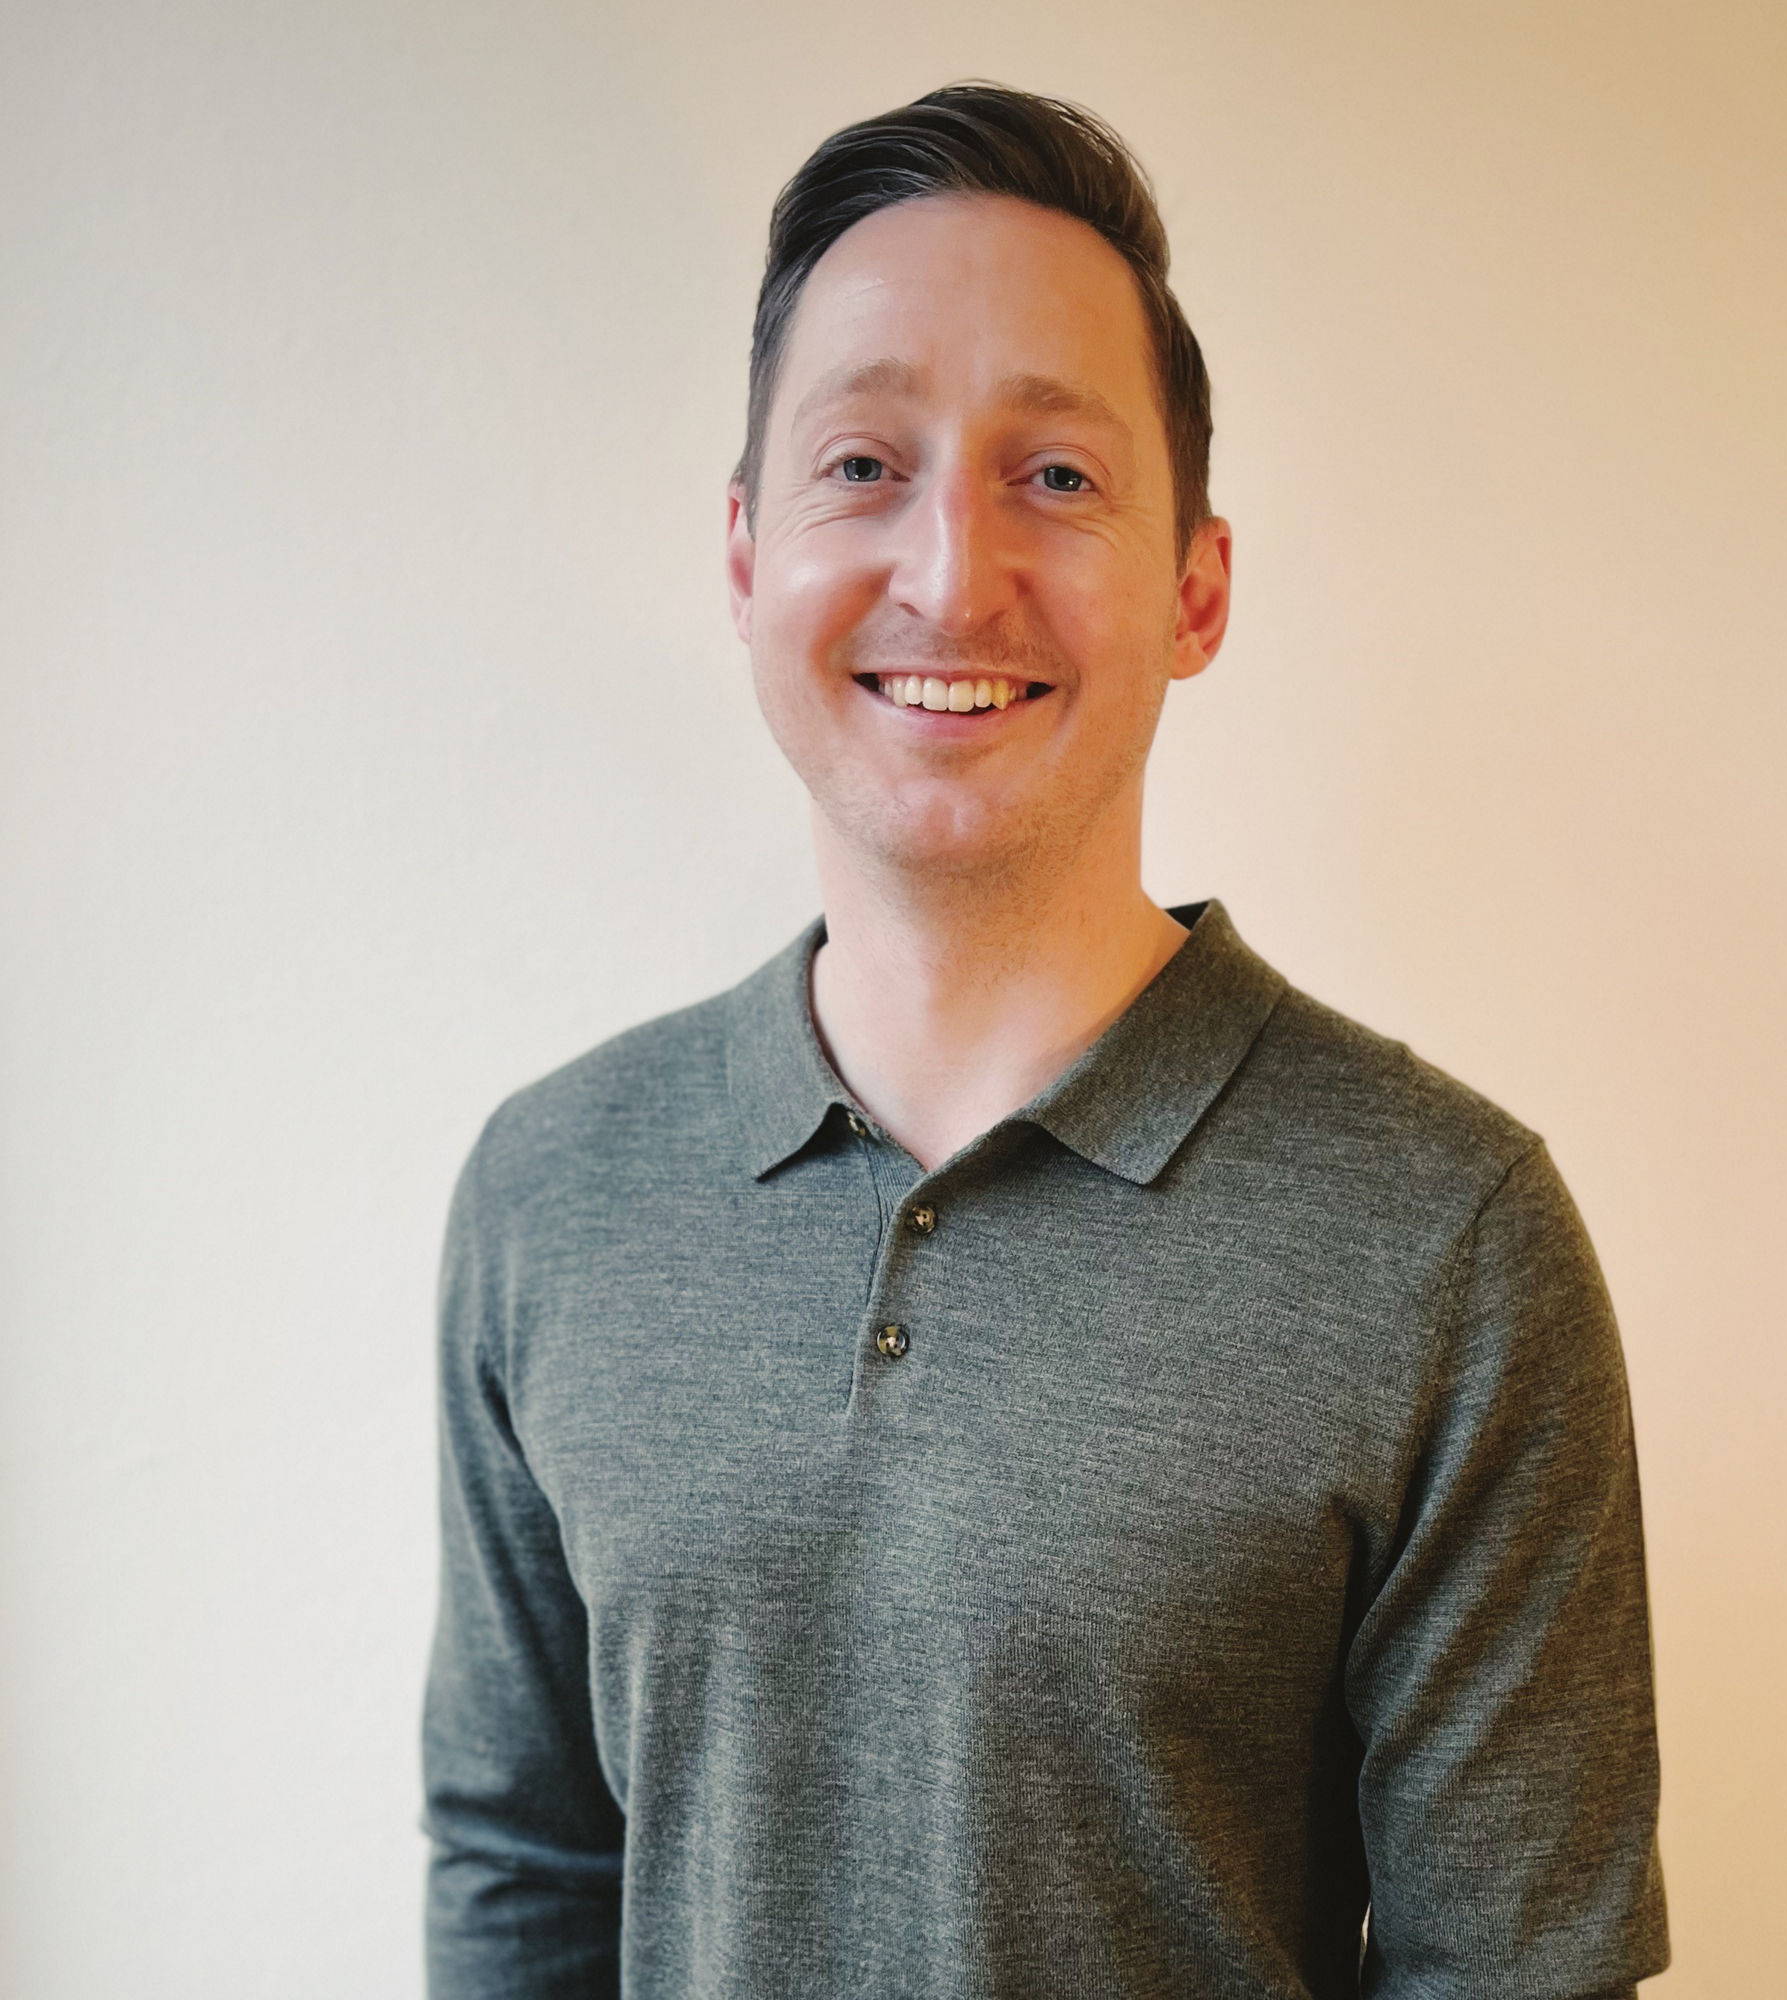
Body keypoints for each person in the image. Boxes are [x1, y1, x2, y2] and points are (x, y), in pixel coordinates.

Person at [421, 82, 1670, 2000]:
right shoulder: (551, 1192)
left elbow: (1518, 1973)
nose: (949, 572)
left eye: (1060, 476)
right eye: (863, 462)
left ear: (1197, 590)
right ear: (745, 557)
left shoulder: (1452, 1241)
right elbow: (523, 1877)